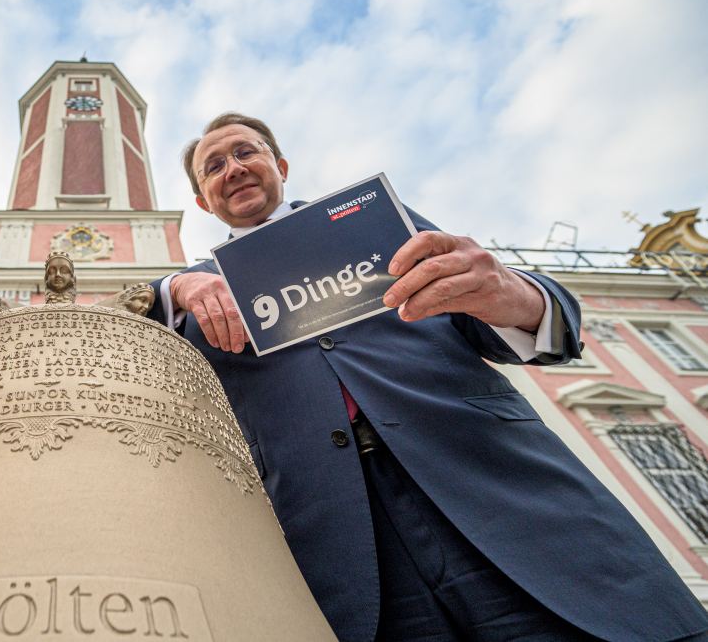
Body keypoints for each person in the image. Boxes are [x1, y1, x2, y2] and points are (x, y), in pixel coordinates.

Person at [146, 112, 708, 642]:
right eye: (214, 166)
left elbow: (500, 306)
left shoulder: (378, 223)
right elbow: (109, 331)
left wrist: (513, 294)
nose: (234, 168)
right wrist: (175, 286)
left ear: (281, 166)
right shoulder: (192, 296)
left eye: (247, 152)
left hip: (500, 495)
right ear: (202, 201)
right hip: (345, 551)